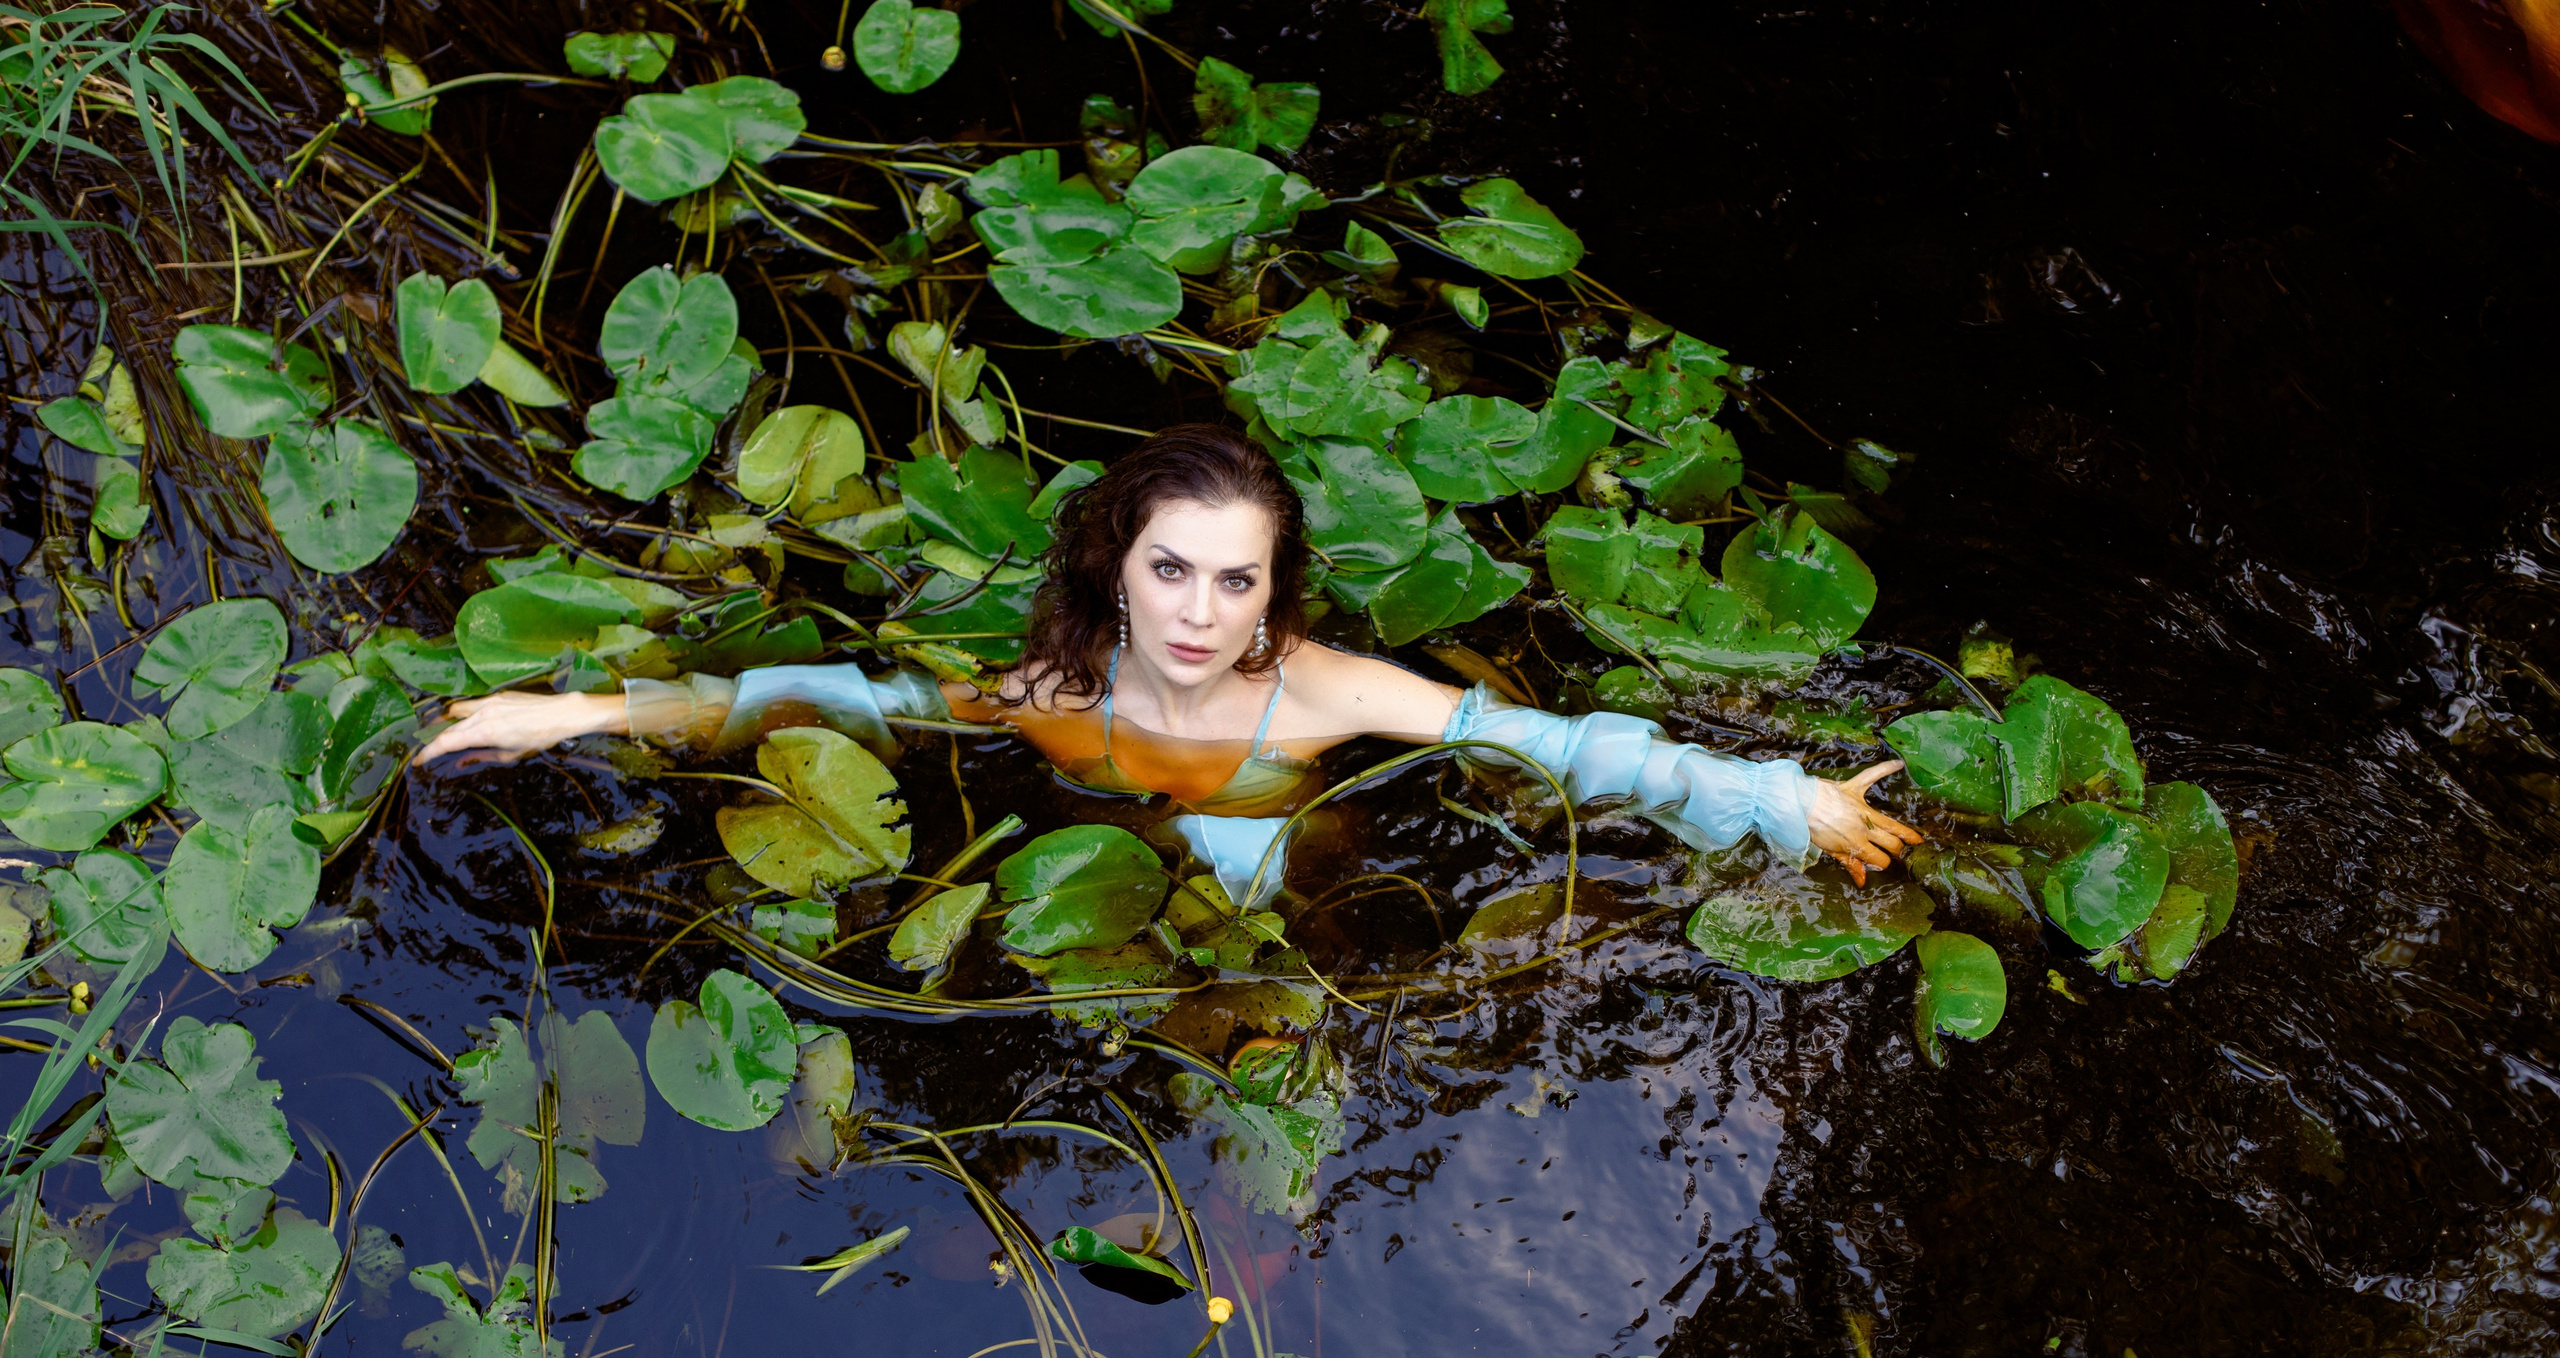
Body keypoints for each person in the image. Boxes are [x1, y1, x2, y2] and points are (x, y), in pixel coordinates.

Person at [415, 424, 1924, 905]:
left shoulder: (1328, 694)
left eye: (1236, 578)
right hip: (1098, 883)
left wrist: (1784, 801)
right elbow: (836, 703)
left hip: (1286, 899)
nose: (1201, 611)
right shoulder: (1057, 695)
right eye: (1170, 571)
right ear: (1114, 575)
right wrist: (582, 709)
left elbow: (1575, 752)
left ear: (1274, 592)